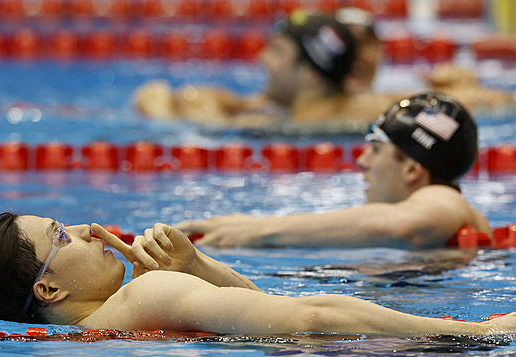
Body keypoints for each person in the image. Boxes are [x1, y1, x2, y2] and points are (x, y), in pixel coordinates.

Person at [0, 212, 516, 336]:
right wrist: (475, 335)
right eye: (61, 236)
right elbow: (309, 317)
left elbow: (263, 317)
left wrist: (195, 267)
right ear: (48, 288)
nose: (90, 230)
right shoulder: (148, 291)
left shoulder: (83, 338)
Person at [176, 92, 492, 249]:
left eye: (376, 149)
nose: (362, 160)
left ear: (412, 168)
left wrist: (260, 229)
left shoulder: (445, 199)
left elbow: (399, 226)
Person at [134, 9, 514, 128]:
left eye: (278, 51)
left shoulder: (368, 111)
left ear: (312, 74)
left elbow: (486, 101)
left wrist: (162, 107)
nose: (263, 58)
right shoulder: (272, 109)